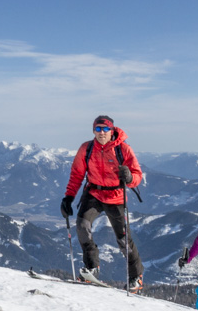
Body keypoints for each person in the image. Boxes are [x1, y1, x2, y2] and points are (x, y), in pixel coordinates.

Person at [60, 114, 145, 290]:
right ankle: (92, 268)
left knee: (123, 239)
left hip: (115, 196)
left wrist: (129, 177)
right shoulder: (87, 149)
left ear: (112, 130)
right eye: (98, 129)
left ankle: (136, 277)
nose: (101, 132)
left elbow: (137, 175)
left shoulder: (123, 149)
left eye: (105, 129)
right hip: (94, 193)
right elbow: (77, 175)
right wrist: (69, 197)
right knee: (82, 225)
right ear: (93, 130)